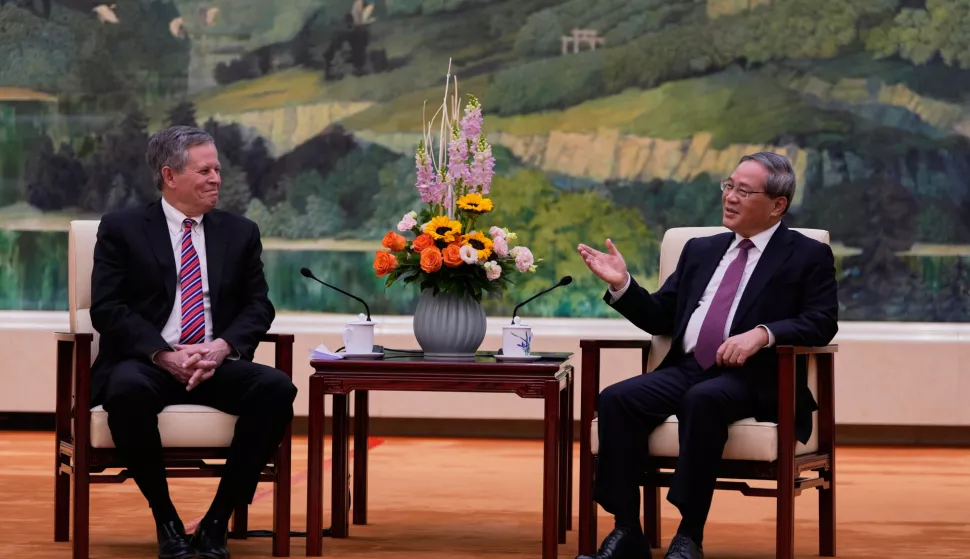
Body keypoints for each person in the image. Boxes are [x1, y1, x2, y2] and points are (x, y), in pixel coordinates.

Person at [575, 152, 838, 559]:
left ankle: (688, 536)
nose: (730, 197)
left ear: (777, 205)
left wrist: (764, 334)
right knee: (616, 399)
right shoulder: (701, 249)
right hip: (687, 368)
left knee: (705, 400)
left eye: (744, 191)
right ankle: (627, 529)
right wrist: (624, 285)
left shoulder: (806, 254)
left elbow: (822, 321)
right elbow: (661, 316)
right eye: (728, 186)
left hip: (757, 378)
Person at [89, 125, 297, 559]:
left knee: (276, 389)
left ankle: (217, 523)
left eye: (217, 169)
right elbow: (107, 309)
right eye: (204, 170)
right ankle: (166, 521)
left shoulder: (240, 232)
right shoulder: (122, 229)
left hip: (213, 360)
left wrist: (221, 347)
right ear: (170, 176)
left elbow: (259, 307)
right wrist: (163, 353)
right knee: (125, 391)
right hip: (147, 361)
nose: (216, 179)